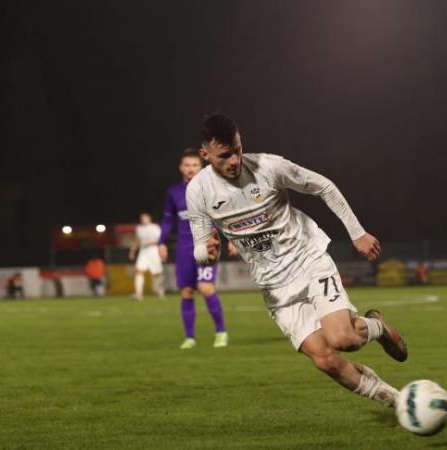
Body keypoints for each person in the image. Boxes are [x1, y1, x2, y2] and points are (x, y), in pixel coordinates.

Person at [186, 112, 407, 408]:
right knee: (325, 360)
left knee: (343, 339)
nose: (235, 160)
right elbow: (201, 247)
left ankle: (377, 327)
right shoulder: (198, 191)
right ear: (205, 155)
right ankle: (399, 402)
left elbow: (323, 186)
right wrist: (206, 254)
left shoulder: (269, 167)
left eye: (238, 149)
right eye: (225, 155)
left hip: (308, 260)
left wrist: (357, 233)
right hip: (274, 286)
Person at [159, 149, 229, 349]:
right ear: (181, 167)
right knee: (187, 292)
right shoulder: (173, 192)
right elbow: (167, 220)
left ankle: (221, 332)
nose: (190, 169)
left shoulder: (211, 189)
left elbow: (225, 216)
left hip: (207, 245)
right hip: (184, 248)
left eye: (194, 165)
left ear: (202, 167)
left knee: (206, 288)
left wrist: (233, 239)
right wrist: (161, 242)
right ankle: (190, 338)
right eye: (187, 165)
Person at [129, 212, 165, 300]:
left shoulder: (155, 227)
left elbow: (160, 240)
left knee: (157, 273)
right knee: (138, 271)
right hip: (143, 252)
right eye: (142, 218)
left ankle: (160, 291)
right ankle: (139, 294)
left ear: (149, 219)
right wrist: (132, 251)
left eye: (145, 218)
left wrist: (162, 252)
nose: (143, 220)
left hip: (153, 251)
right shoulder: (139, 228)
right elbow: (137, 241)